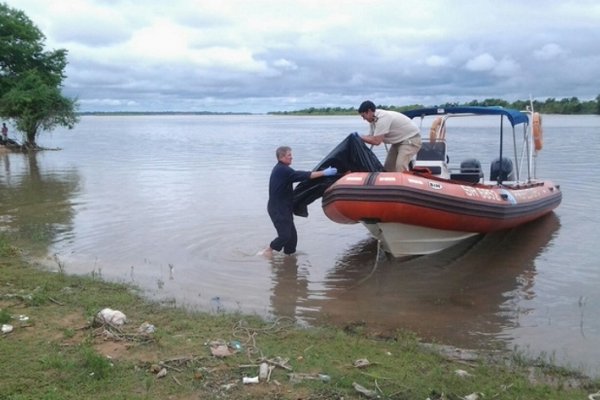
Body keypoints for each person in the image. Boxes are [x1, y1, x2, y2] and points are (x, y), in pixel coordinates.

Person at [264, 146, 337, 257]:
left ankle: (289, 258)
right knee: (285, 236)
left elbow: (302, 175)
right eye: (289, 155)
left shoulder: (283, 169)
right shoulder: (283, 170)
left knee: (292, 238)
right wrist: (324, 173)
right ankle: (268, 250)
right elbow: (304, 175)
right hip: (277, 209)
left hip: (284, 208)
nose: (292, 157)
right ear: (282, 157)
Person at [356, 100, 422, 172]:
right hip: (398, 141)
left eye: (363, 116)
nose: (363, 119)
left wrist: (359, 136)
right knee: (388, 168)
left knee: (400, 166)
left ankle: (403, 181)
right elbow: (371, 136)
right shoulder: (373, 119)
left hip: (411, 139)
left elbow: (376, 141)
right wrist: (357, 138)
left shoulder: (382, 118)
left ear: (369, 111)